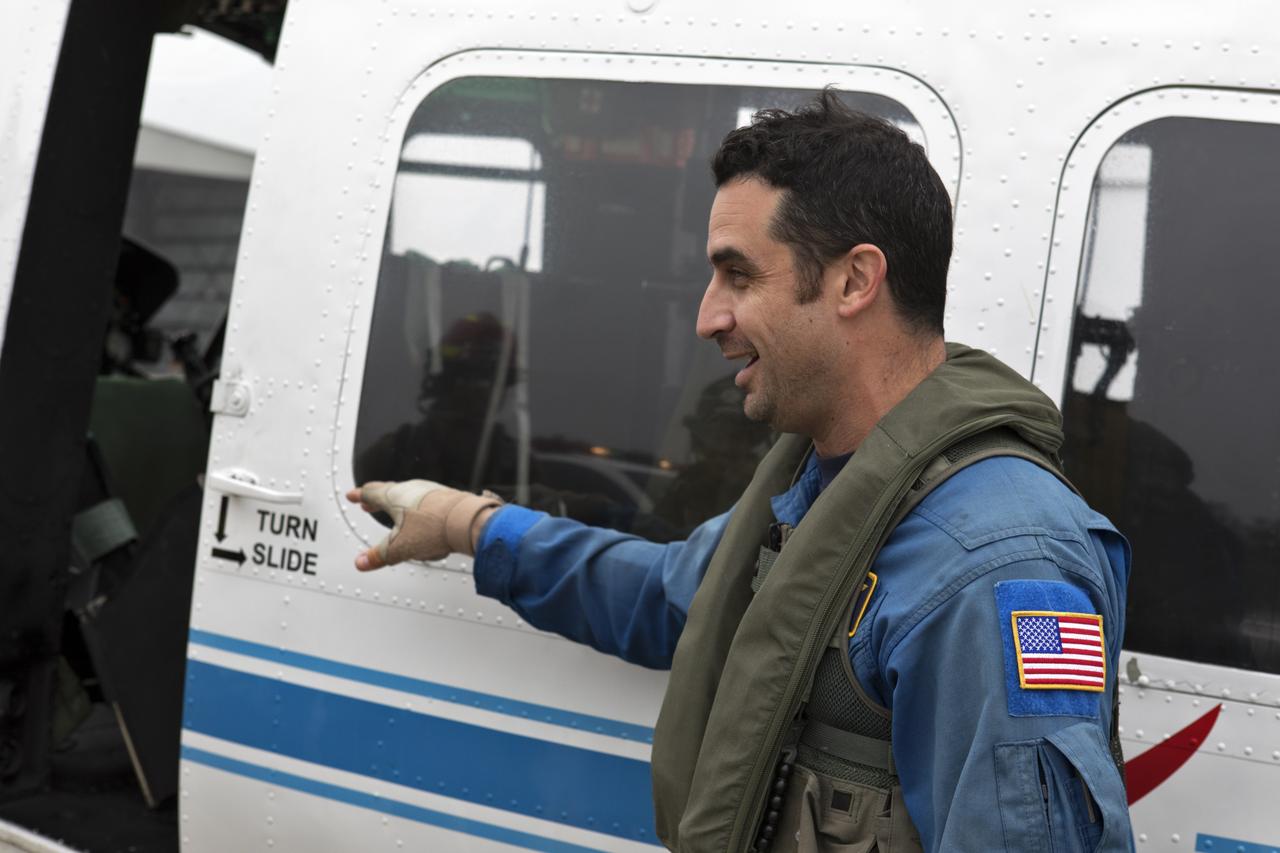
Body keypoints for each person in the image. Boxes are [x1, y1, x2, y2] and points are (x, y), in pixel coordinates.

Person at [347, 90, 1133, 852]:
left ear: (856, 280)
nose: (707, 316)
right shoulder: (828, 487)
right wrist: (469, 524)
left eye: (740, 276)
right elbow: (667, 595)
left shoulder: (994, 567)